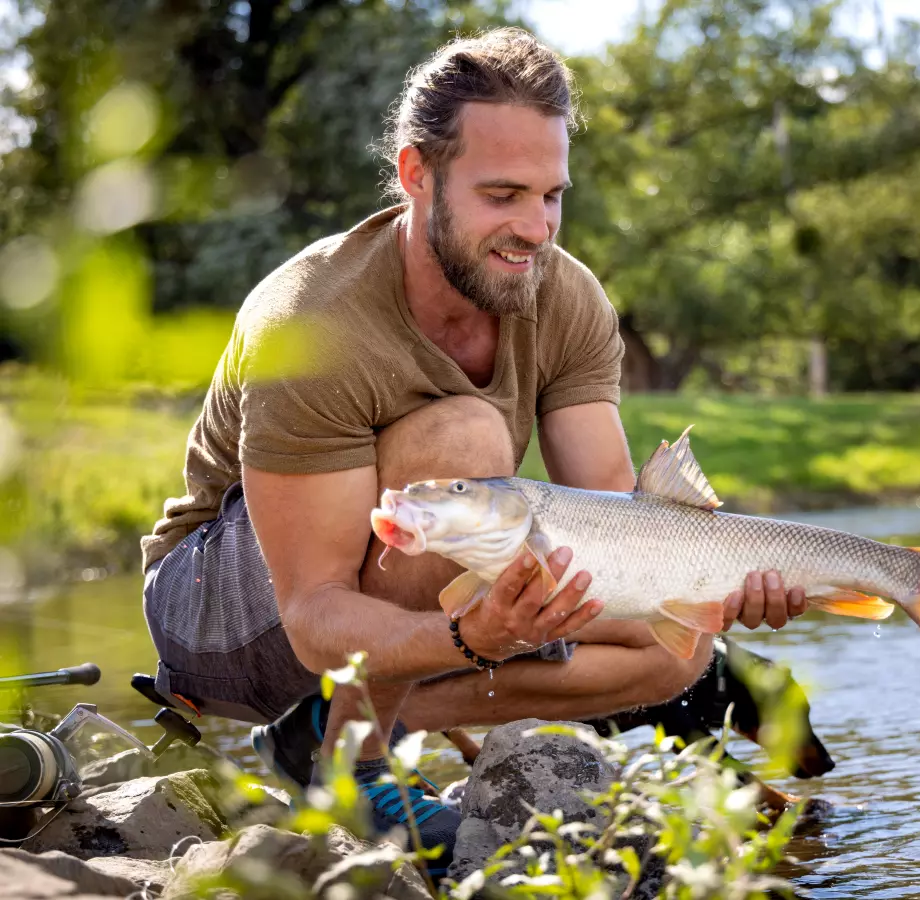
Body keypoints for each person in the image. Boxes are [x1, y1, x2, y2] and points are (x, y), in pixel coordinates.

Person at [140, 27, 808, 877]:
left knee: (671, 649)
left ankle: (333, 732)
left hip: (388, 596)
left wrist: (714, 586)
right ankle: (354, 757)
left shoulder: (563, 295)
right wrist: (468, 634)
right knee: (465, 440)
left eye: (552, 195)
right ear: (417, 174)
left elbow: (617, 525)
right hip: (222, 613)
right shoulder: (308, 324)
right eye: (503, 195)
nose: (535, 229)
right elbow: (313, 615)